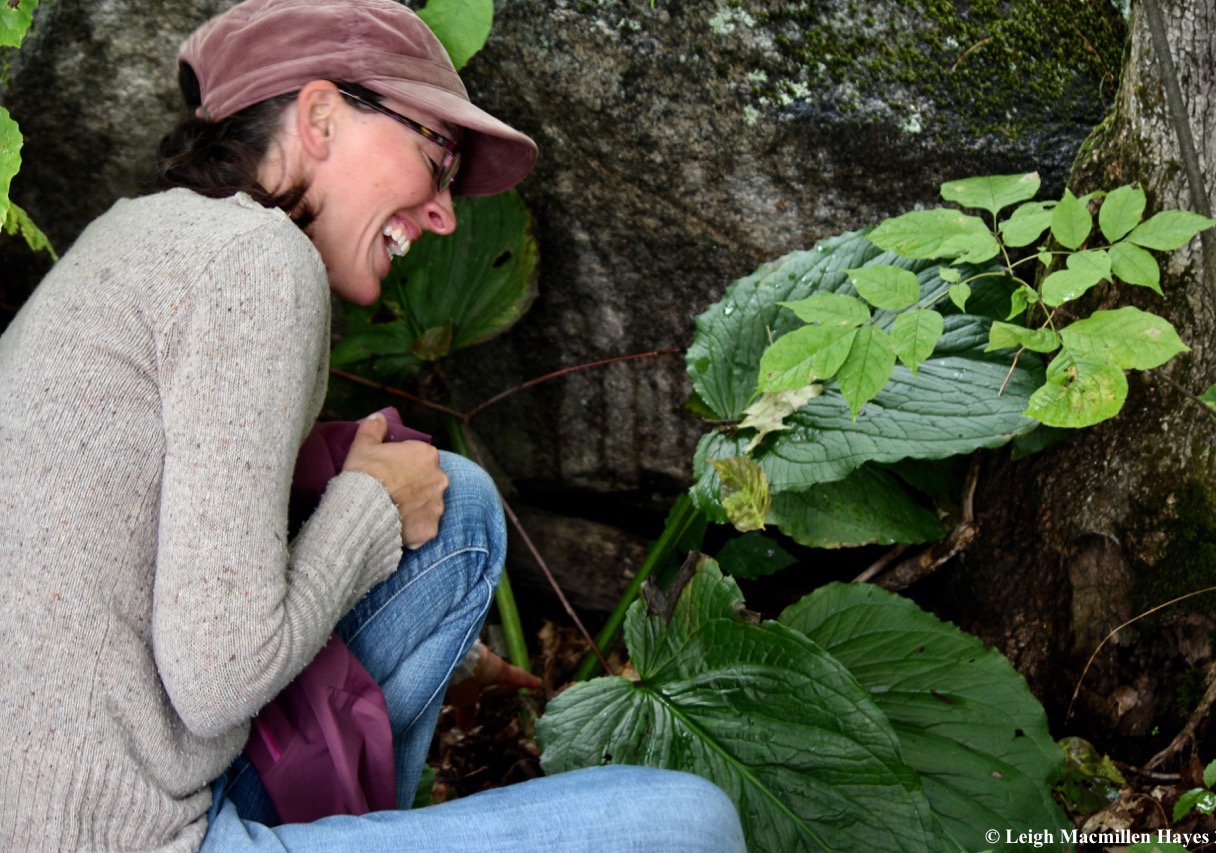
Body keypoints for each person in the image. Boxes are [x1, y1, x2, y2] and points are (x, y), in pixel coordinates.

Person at [0, 0, 748, 850]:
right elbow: (218, 674)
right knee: (692, 825)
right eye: (437, 153)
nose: (446, 213)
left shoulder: (136, 233)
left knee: (455, 510)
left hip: (94, 788)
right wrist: (365, 507)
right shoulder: (258, 261)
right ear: (319, 116)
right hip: (111, 834)